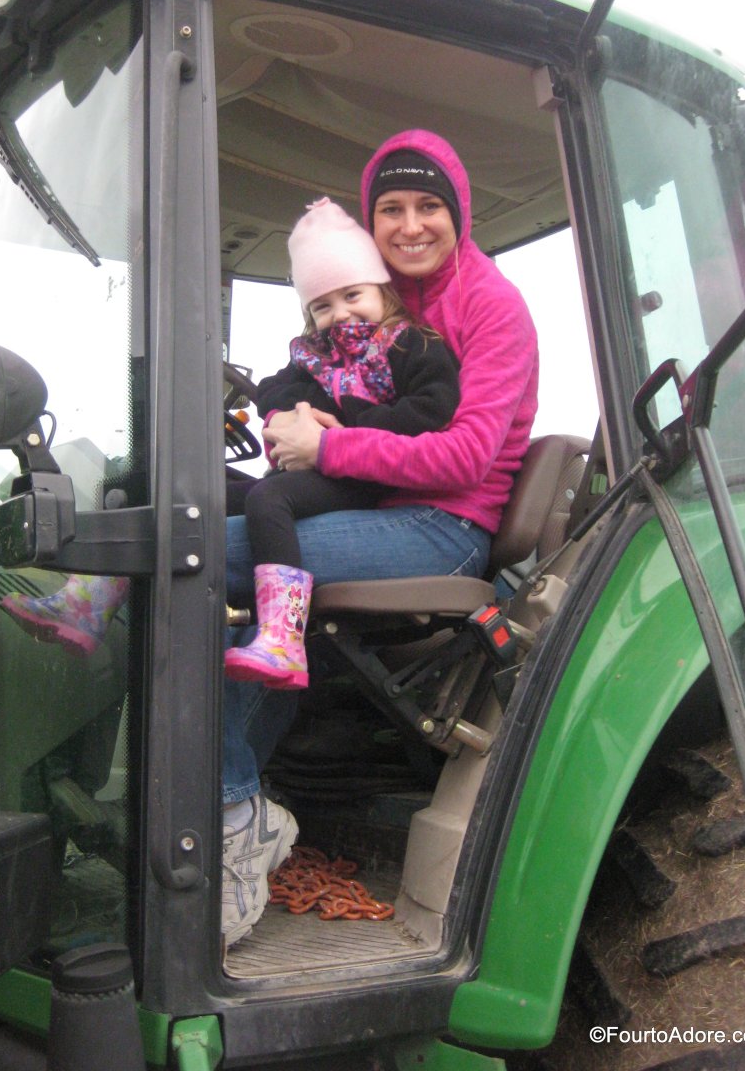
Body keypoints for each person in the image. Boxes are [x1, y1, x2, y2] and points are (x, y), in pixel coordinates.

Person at [221, 129, 539, 947]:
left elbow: (463, 454)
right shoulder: (380, 299)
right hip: (372, 509)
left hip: (443, 526)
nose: (409, 225)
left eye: (428, 205)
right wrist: (291, 419)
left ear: (458, 212)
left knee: (199, 556)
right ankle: (232, 802)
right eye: (390, 209)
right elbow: (325, 385)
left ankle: (230, 814)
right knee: (208, 536)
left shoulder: (489, 307)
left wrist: (327, 447)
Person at [224, 196, 460, 691]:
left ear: (381, 289)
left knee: (269, 498)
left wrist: (343, 426)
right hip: (315, 471)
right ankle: (101, 595)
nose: (340, 313)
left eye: (352, 295)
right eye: (322, 306)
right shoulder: (314, 353)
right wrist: (292, 415)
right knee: (209, 492)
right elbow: (273, 387)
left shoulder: (409, 344)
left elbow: (431, 410)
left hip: (365, 478)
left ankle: (283, 637)